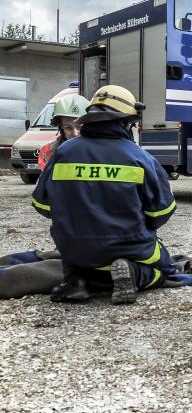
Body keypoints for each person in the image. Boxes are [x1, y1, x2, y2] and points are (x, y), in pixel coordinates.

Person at [32, 85, 177, 304]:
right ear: (125, 123)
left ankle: (76, 282)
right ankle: (136, 273)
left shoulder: (63, 152)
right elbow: (161, 213)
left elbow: (42, 205)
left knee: (75, 256)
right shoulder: (141, 158)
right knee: (167, 269)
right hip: (130, 245)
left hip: (74, 247)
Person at [37, 93, 90, 170]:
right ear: (61, 128)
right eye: (68, 128)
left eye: (80, 127)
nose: (75, 133)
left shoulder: (101, 150)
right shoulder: (48, 152)